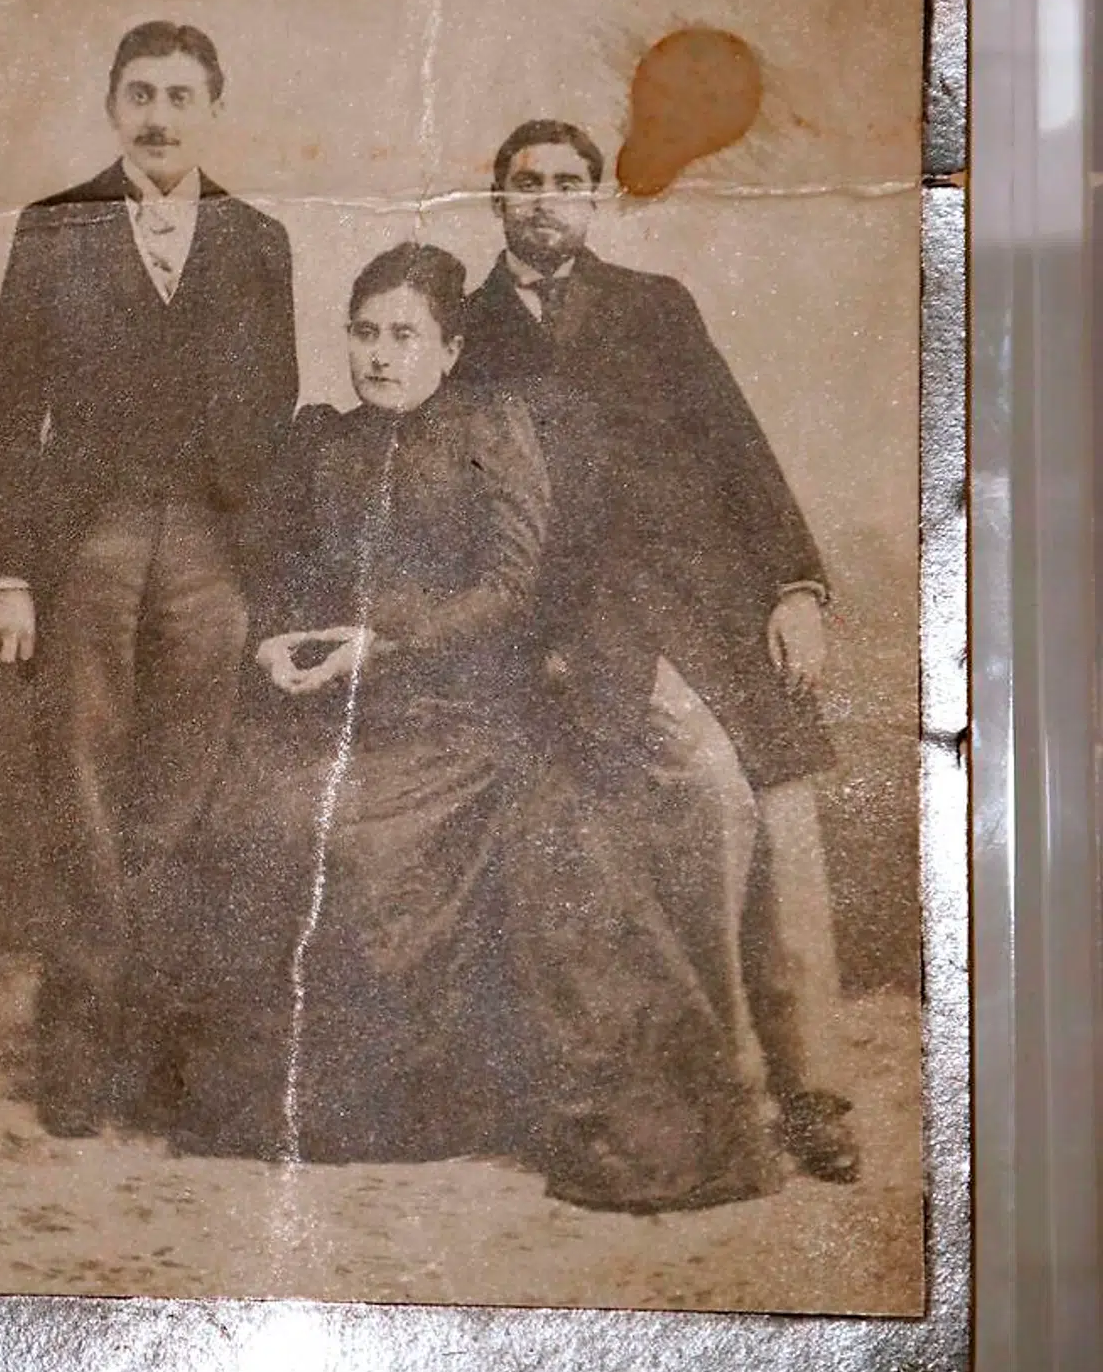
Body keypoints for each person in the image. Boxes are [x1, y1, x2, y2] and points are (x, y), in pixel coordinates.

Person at [181, 243, 772, 1214]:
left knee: (453, 853)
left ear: (450, 349)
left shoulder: (493, 428)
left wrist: (388, 640)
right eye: (364, 331)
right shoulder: (323, 438)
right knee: (264, 816)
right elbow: (283, 568)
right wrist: (274, 644)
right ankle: (312, 1108)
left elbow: (510, 586)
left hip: (471, 710)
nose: (380, 354)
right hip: (344, 706)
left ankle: (474, 1107)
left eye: (403, 334)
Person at [457, 119, 858, 1185]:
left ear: (594, 199)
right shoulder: (465, 330)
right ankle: (728, 1084)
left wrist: (795, 587)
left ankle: (813, 1089)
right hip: (581, 623)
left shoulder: (655, 306)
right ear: (496, 199)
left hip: (712, 594)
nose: (546, 199)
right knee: (716, 791)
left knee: (787, 806)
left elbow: (739, 447)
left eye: (567, 182)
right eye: (526, 181)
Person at [0, 19, 297, 1137]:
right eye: (140, 93)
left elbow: (275, 422)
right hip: (89, 542)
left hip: (211, 546)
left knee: (187, 790)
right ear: (112, 104)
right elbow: (10, 409)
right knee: (84, 791)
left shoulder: (259, 240)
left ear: (213, 108)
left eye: (180, 95)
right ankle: (78, 1055)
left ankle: (159, 1058)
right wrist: (7, 569)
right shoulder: (55, 226)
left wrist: (272, 572)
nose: (158, 115)